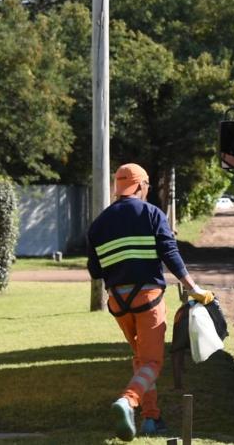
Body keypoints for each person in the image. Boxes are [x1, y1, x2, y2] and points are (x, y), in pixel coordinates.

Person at [87, 163, 215, 441]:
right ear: (140, 186)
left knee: (141, 359)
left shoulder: (99, 224)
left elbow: (95, 271)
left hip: (119, 303)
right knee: (153, 362)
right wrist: (193, 288)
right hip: (148, 300)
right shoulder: (152, 214)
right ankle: (128, 401)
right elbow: (170, 254)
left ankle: (151, 417)